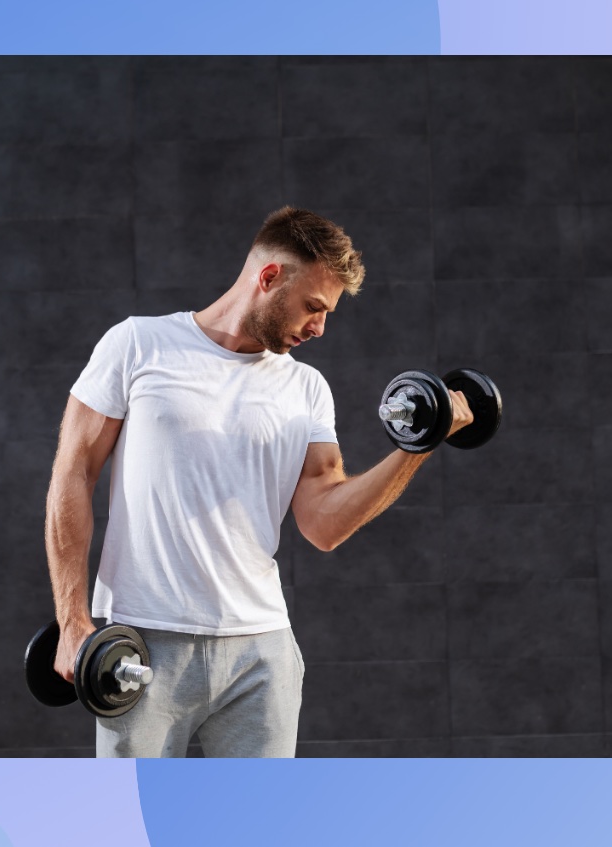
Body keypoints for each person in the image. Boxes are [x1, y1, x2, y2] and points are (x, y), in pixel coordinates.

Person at [45, 206, 473, 757]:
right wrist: (72, 619)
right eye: (313, 307)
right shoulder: (137, 346)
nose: (319, 327)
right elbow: (71, 474)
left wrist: (419, 445)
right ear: (269, 277)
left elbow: (324, 524)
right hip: (144, 644)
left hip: (260, 652)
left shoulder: (307, 389)